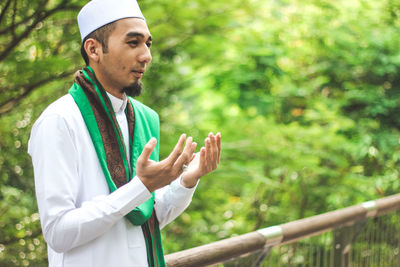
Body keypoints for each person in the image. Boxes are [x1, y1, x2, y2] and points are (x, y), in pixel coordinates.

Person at [27, 0, 221, 266]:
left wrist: (187, 179)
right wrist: (141, 186)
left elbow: (143, 217)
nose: (146, 56)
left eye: (148, 44)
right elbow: (59, 232)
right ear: (93, 49)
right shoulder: (59, 121)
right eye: (133, 43)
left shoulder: (143, 118)